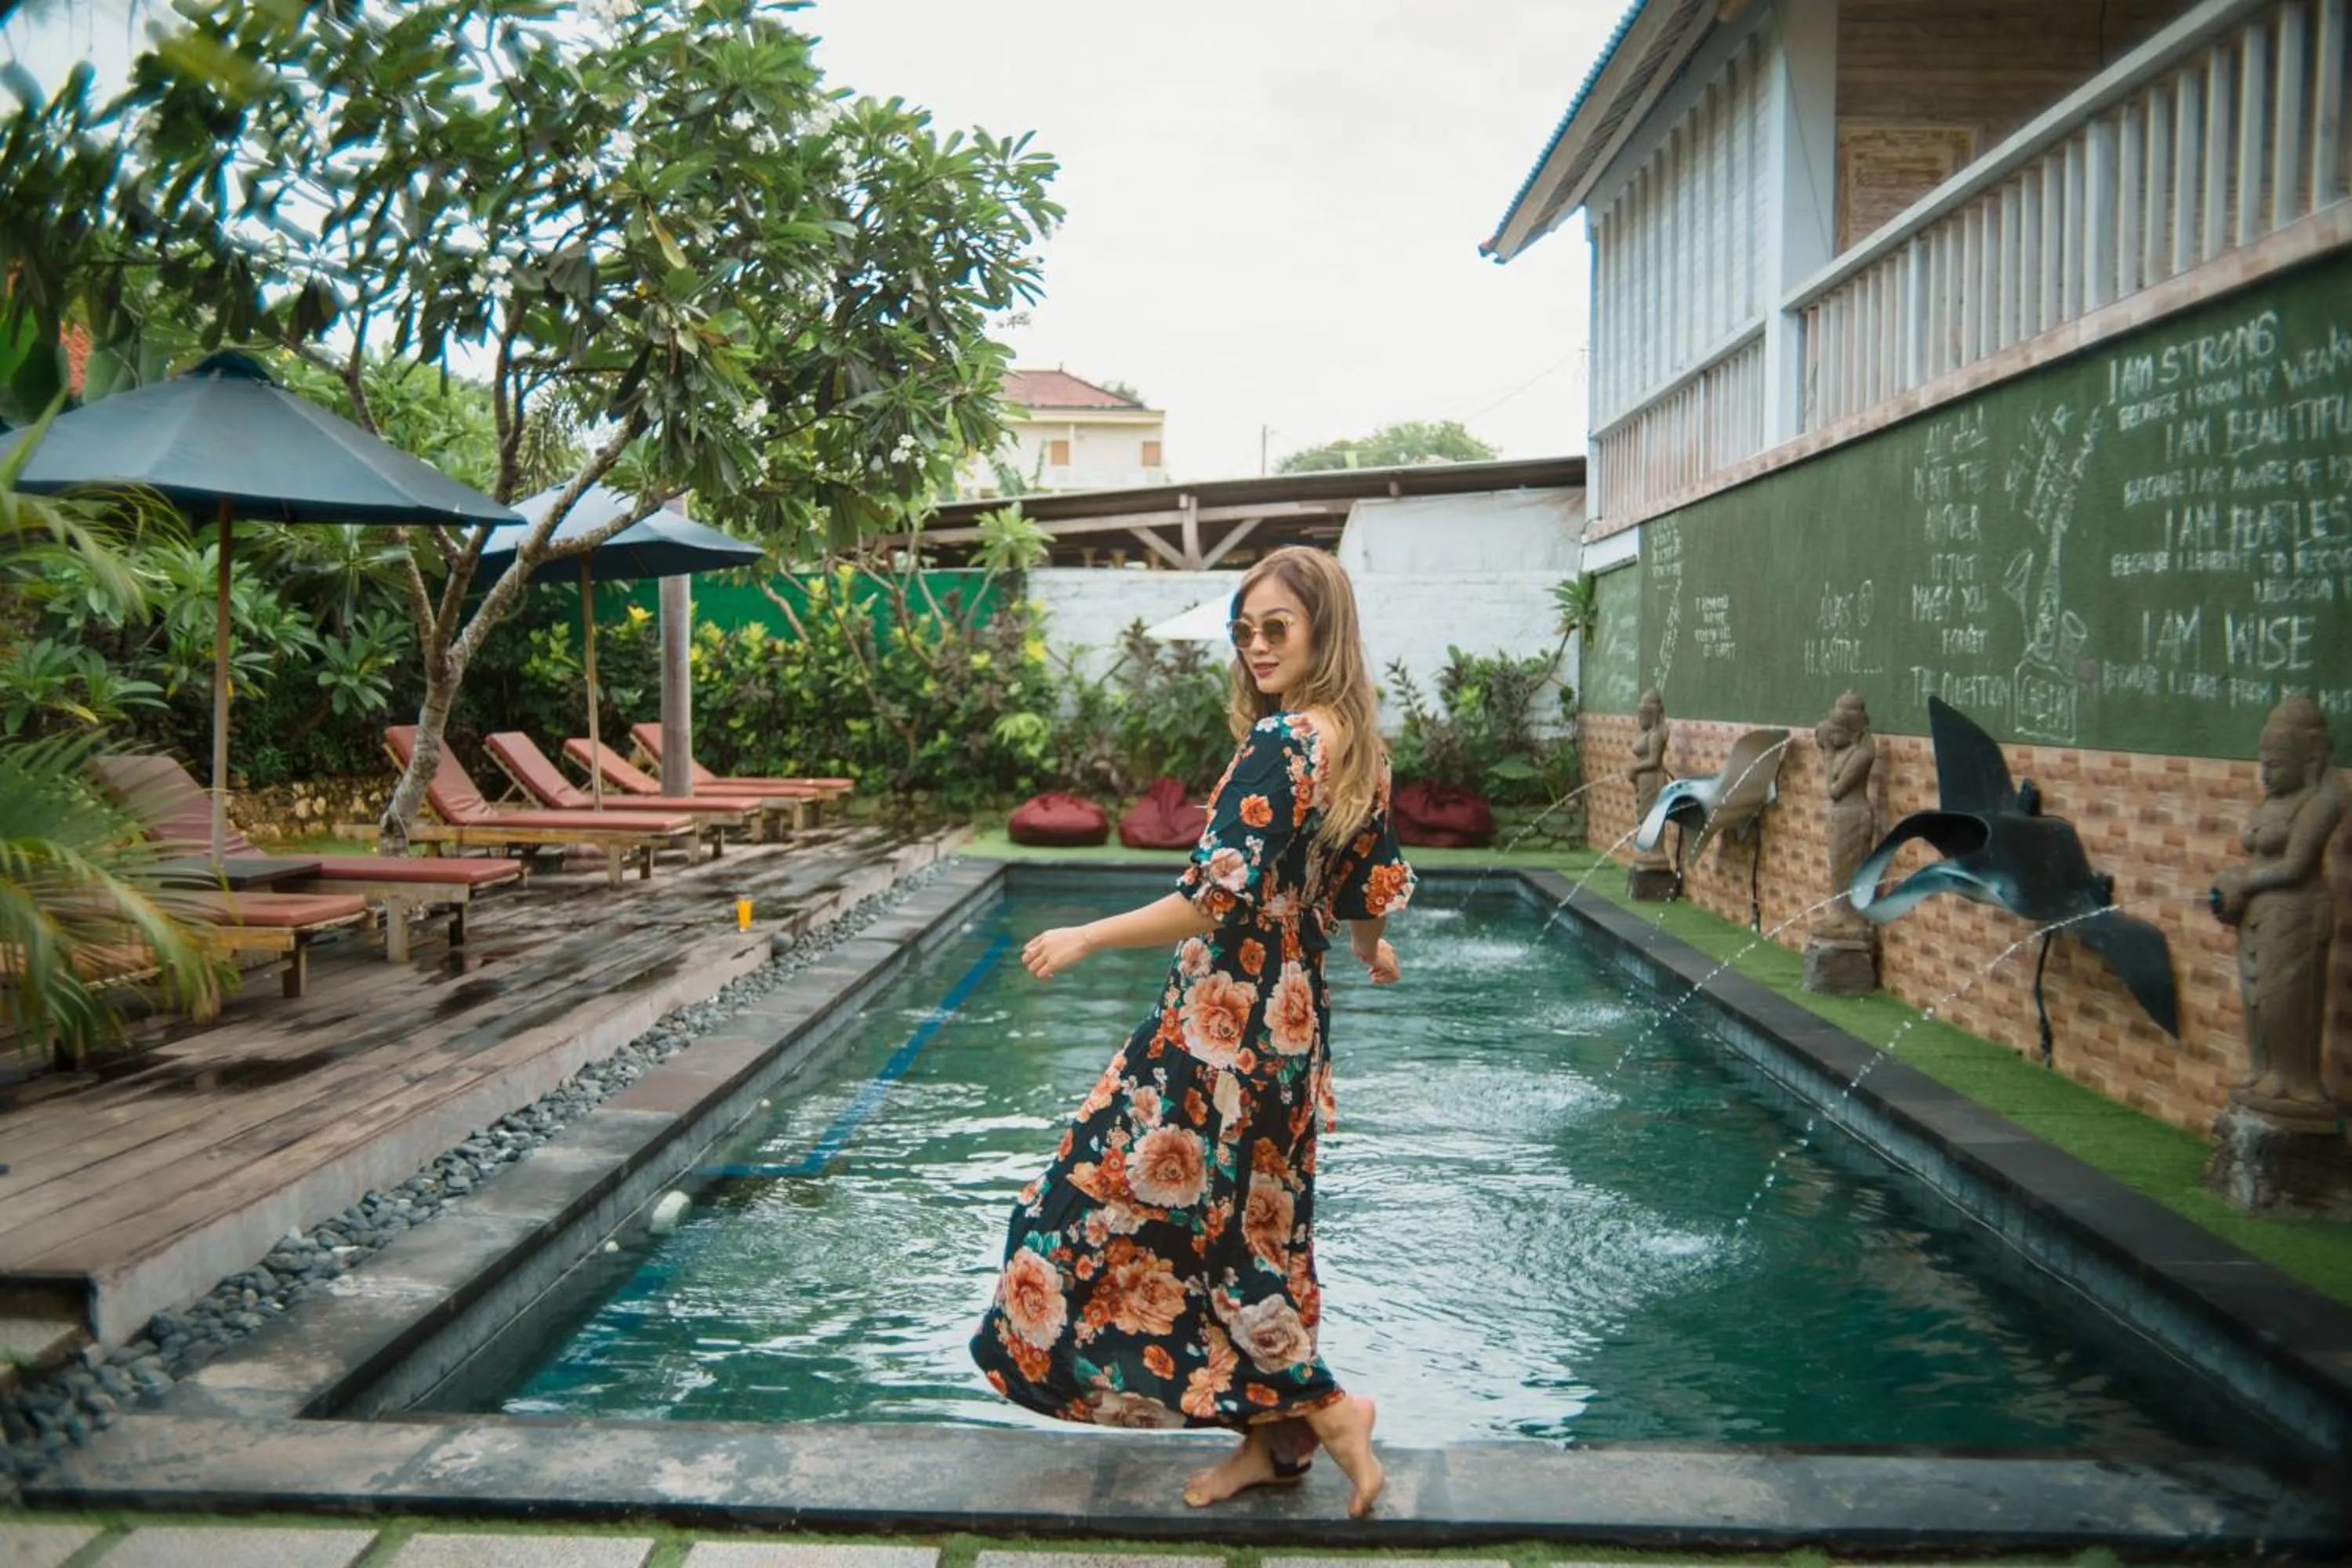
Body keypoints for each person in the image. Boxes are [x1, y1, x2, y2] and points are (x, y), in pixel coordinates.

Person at [970, 545, 1413, 1519]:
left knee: (1069, 1206)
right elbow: (1367, 883)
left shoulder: (1284, 742)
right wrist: (1370, 950)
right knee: (1256, 1229)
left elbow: (1212, 900)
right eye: (1244, 629)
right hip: (1291, 1028)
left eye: (1277, 627)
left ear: (1324, 629)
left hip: (1220, 1028)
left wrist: (1087, 934)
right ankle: (1276, 1440)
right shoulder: (1358, 744)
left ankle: (1331, 1411)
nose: (1256, 645)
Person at [2211, 694, 2346, 1122]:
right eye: (2264, 763)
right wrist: (2232, 882)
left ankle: (2292, 1079)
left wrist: (2243, 882)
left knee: (2286, 999)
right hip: (2257, 915)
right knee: (2257, 999)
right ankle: (2263, 1068)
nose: (2267, 773)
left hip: (2296, 914)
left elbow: (2295, 866)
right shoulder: (2270, 802)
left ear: (2309, 762)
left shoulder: (2320, 802)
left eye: (2277, 765)